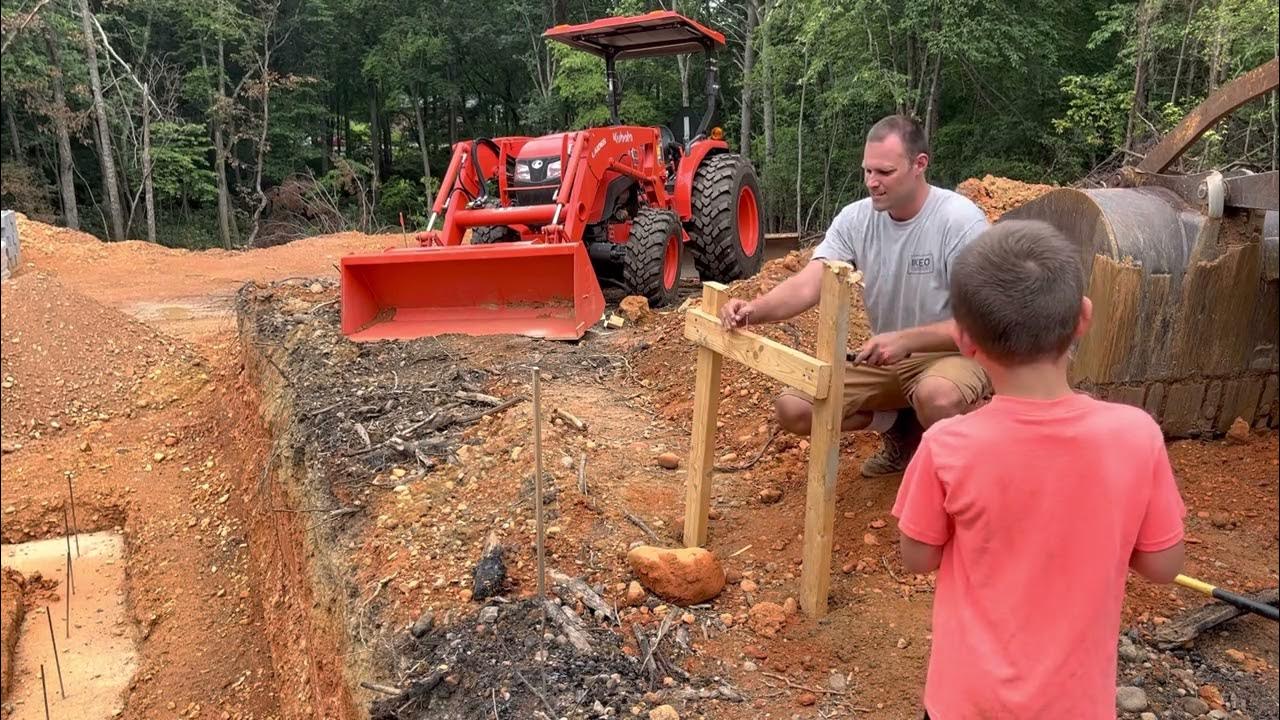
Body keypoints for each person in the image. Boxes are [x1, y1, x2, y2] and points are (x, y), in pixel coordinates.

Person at [892, 219, 1186, 719]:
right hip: (1075, 705)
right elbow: (1163, 566)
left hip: (966, 703)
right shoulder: (1137, 435)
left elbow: (917, 558)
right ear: (1083, 318)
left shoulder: (946, 445)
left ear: (965, 341)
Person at [719, 115, 990, 477]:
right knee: (794, 408)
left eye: (884, 172)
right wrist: (753, 310)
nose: (872, 183)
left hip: (954, 354)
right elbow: (808, 284)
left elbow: (985, 324)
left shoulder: (960, 222)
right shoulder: (856, 219)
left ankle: (969, 467)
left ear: (919, 165)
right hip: (891, 360)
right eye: (867, 171)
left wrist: (906, 340)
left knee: (937, 397)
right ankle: (900, 428)